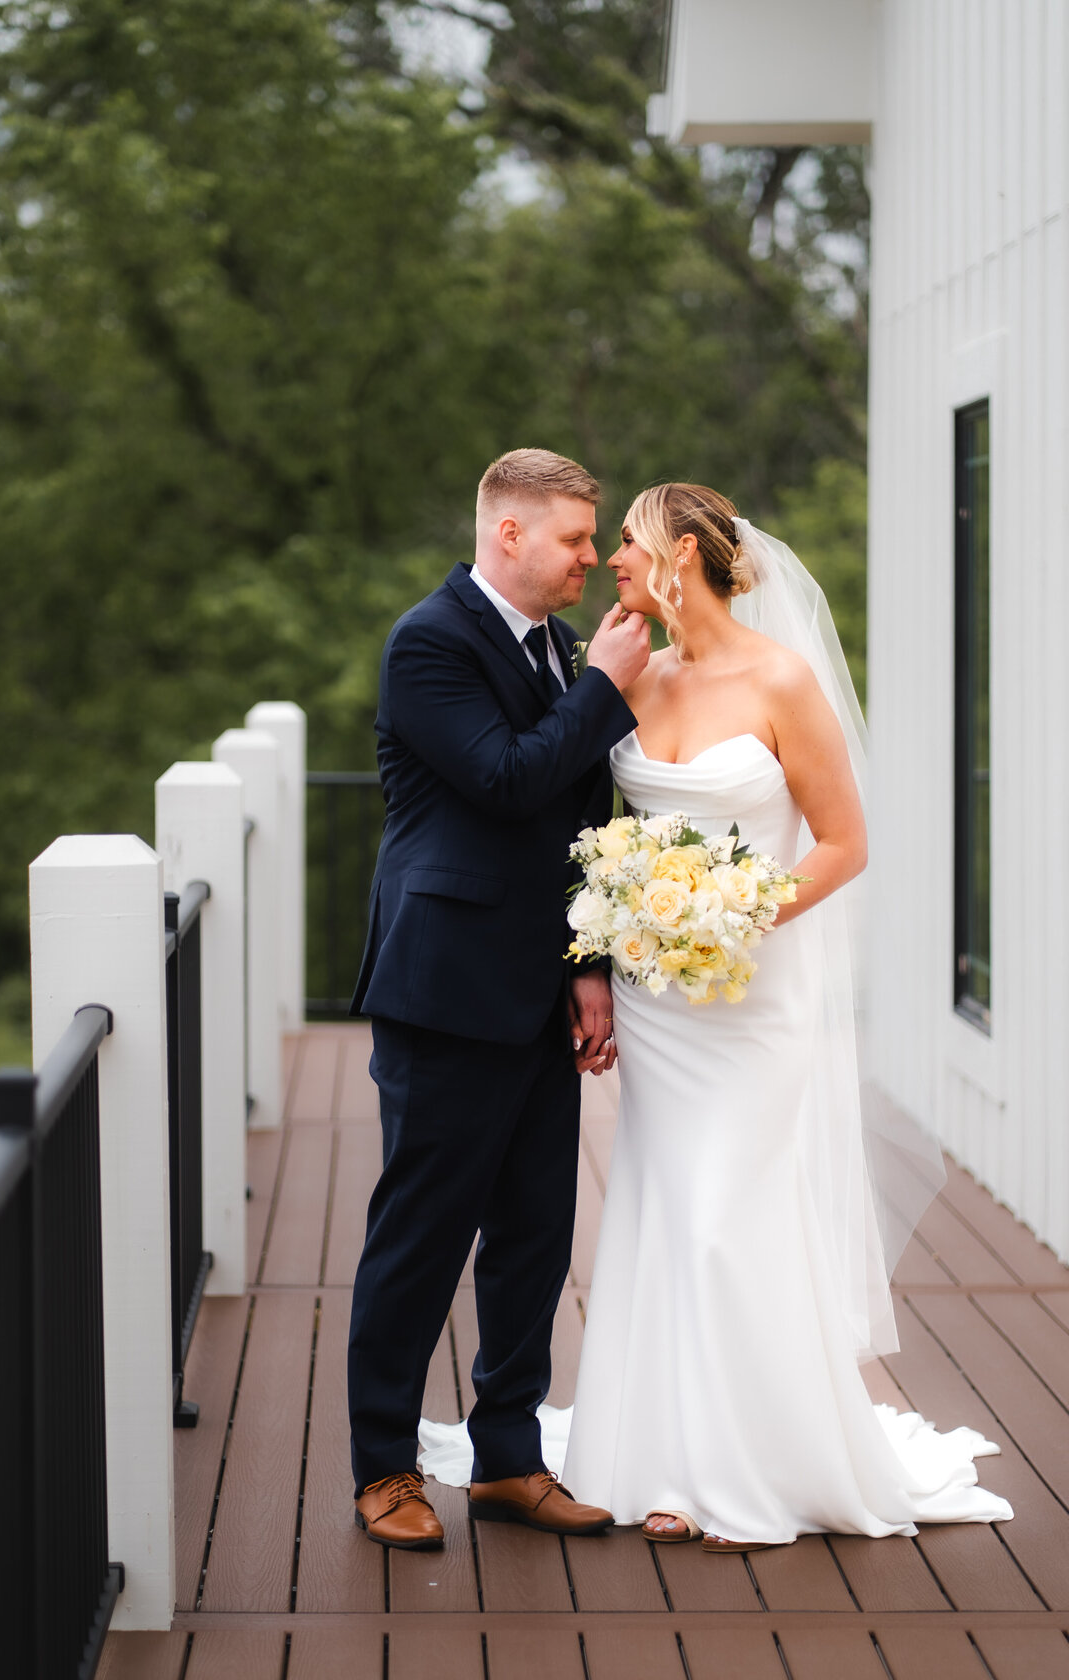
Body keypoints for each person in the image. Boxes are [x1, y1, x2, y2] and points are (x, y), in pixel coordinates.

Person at [419, 481, 1013, 1548]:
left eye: (626, 544)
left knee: (730, 1212)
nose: (610, 562)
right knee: (663, 1205)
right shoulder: (633, 679)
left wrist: (738, 916)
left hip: (751, 992)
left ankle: (752, 1469)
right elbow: (583, 823)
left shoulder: (782, 679)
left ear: (682, 556)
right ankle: (663, 1461)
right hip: (657, 1003)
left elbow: (844, 843)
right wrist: (616, 946)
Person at [346, 448, 650, 1550]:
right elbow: (507, 779)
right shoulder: (429, 641)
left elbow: (575, 824)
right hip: (446, 986)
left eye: (593, 538)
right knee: (421, 1236)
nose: (590, 559)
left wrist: (588, 963)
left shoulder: (560, 648)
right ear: (508, 533)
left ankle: (510, 1460)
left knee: (534, 1237)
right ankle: (385, 1467)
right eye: (574, 538)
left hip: (538, 990)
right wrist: (606, 688)